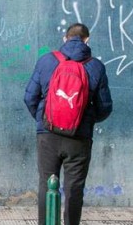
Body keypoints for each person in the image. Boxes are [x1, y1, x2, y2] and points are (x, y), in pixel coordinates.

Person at [24, 23, 113, 225]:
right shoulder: (96, 66)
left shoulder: (46, 61)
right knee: (74, 188)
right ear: (86, 40)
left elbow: (30, 97)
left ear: (65, 38)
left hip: (47, 134)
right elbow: (105, 106)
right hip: (79, 138)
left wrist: (44, 121)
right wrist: (86, 121)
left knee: (47, 185)